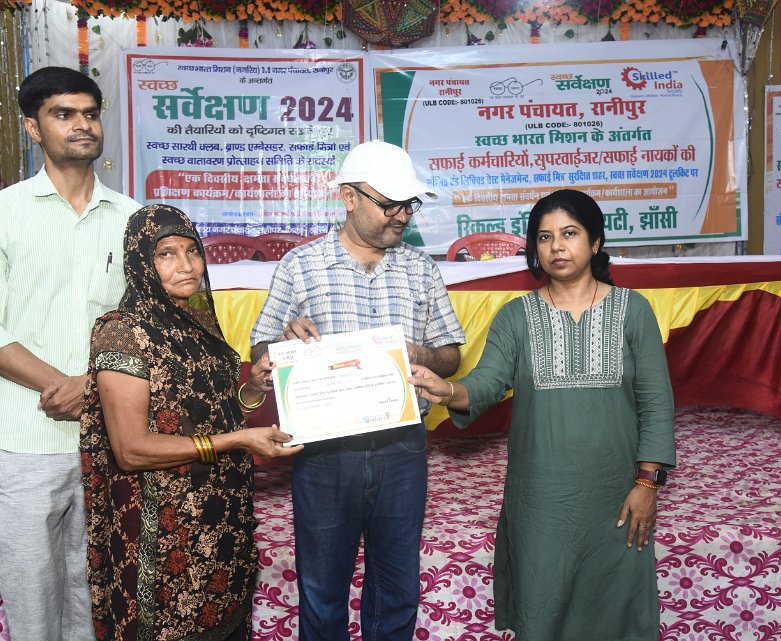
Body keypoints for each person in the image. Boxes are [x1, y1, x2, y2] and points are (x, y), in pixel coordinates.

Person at [409, 189, 677, 641]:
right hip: (540, 502)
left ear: (595, 241)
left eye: (569, 234)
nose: (557, 247)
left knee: (616, 614)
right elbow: (486, 383)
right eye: (545, 237)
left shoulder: (633, 310)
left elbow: (656, 402)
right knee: (543, 609)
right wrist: (448, 390)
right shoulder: (516, 316)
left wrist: (647, 484)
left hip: (616, 498)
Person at [248, 140, 466, 641]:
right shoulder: (300, 266)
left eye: (409, 205)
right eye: (389, 204)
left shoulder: (421, 269)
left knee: (397, 588)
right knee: (322, 590)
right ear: (349, 197)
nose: (402, 216)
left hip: (403, 448)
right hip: (325, 453)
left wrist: (419, 353)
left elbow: (450, 353)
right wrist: (281, 345)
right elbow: (261, 348)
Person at [0, 66, 140, 641]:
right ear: (33, 128)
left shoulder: (133, 219)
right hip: (24, 446)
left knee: (98, 604)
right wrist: (67, 384)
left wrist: (94, 387)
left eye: (90, 113)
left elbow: (146, 329)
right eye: (64, 114)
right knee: (33, 611)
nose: (82, 125)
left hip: (112, 445)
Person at [79, 204, 302, 641]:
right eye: (166, 253)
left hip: (221, 529)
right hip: (164, 540)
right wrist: (237, 441)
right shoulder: (122, 332)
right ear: (141, 262)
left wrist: (253, 387)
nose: (186, 265)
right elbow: (131, 449)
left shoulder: (197, 318)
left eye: (192, 250)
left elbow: (215, 414)